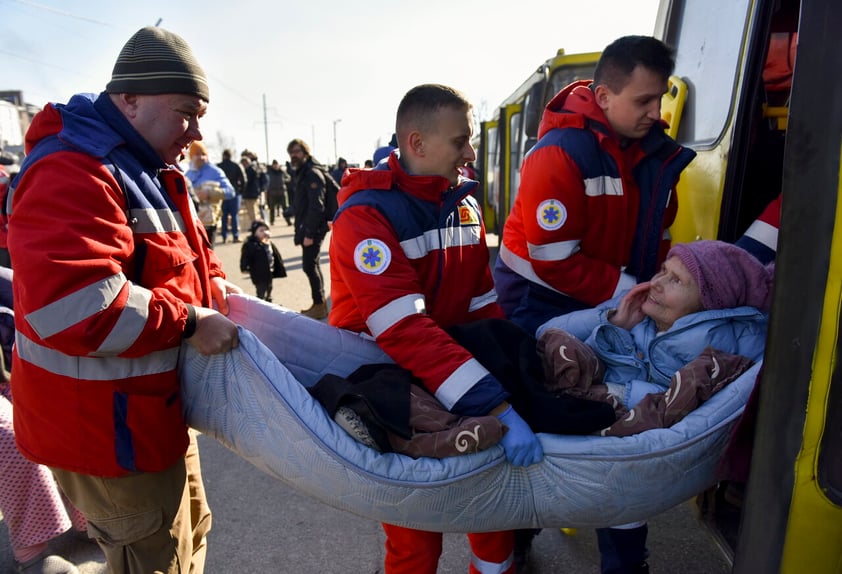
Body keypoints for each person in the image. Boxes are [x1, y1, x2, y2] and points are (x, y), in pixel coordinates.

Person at [5, 26, 242, 574]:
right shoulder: (75, 170)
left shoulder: (146, 168)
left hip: (146, 416)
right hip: (105, 434)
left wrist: (214, 287)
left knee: (187, 536)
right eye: (187, 111)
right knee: (154, 559)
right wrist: (188, 319)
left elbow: (181, 256)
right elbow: (80, 305)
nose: (197, 130)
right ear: (129, 100)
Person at [491, 36, 696, 573]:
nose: (657, 113)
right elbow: (554, 260)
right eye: (643, 102)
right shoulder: (558, 154)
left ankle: (626, 563)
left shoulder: (651, 150)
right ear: (603, 97)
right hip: (539, 305)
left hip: (611, 296)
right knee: (543, 425)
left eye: (661, 98)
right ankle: (518, 531)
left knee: (616, 433)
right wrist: (633, 289)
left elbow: (659, 232)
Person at [329, 83, 543, 574]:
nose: (470, 155)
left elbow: (483, 309)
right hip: (390, 389)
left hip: (452, 372)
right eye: (460, 142)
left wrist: (509, 375)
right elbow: (402, 330)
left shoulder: (462, 205)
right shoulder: (366, 217)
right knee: (415, 534)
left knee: (493, 518)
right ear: (417, 143)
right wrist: (495, 406)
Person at [536, 240, 772, 428]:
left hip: (632, 415)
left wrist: (623, 394)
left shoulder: (729, 340)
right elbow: (544, 335)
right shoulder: (634, 307)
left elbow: (710, 407)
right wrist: (613, 320)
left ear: (708, 304)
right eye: (663, 270)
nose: (657, 283)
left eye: (677, 281)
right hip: (581, 396)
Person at [287, 138, 330, 320]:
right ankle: (319, 304)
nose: (293, 155)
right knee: (312, 265)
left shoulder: (312, 173)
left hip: (313, 227)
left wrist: (310, 234)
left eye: (297, 151)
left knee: (309, 266)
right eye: (291, 152)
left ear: (305, 152)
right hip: (307, 225)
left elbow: (316, 206)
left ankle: (319, 305)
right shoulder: (303, 172)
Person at [185, 141, 235, 246]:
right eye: (197, 154)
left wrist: (210, 193)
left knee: (208, 253)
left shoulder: (215, 171)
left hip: (209, 222)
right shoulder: (188, 174)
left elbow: (231, 192)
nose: (201, 157)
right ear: (191, 156)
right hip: (192, 221)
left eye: (203, 154)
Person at [240, 220, 286, 302]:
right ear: (254, 232)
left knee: (269, 286)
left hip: (269, 271)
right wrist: (244, 267)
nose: (264, 232)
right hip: (258, 273)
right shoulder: (251, 244)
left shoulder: (268, 242)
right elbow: (245, 257)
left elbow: (275, 255)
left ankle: (269, 298)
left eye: (266, 230)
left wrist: (279, 266)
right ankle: (260, 301)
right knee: (261, 288)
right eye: (261, 230)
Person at [217, 149, 246, 243]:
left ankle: (224, 236)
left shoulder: (218, 167)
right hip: (234, 193)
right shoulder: (236, 166)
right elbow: (244, 180)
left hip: (222, 193)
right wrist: (240, 191)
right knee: (234, 215)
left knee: (223, 216)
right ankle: (235, 236)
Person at [240, 150, 266, 229]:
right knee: (255, 211)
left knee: (254, 212)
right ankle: (257, 225)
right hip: (254, 192)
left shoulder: (250, 170)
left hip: (251, 193)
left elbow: (247, 181)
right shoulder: (254, 168)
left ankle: (257, 226)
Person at [265, 159, 292, 226]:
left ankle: (288, 221)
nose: (275, 166)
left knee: (285, 208)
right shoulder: (269, 172)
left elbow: (288, 177)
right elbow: (266, 180)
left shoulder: (282, 172)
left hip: (282, 192)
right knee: (272, 209)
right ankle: (272, 221)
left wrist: (284, 181)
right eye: (274, 165)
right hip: (272, 193)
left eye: (276, 165)